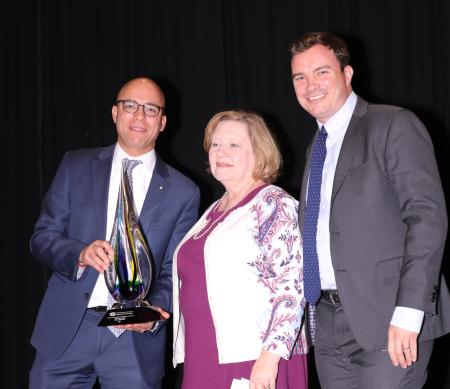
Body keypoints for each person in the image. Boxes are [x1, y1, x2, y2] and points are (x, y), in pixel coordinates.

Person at [289, 31, 450, 389]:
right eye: (300, 77)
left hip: (388, 318)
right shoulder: (318, 146)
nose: (310, 85)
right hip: (327, 322)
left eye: (321, 72)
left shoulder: (392, 124)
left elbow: (427, 219)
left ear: (347, 75)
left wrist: (410, 313)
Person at [29, 77, 200, 389]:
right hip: (67, 330)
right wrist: (78, 254)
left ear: (162, 122)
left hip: (132, 342)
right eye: (130, 106)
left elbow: (175, 270)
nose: (139, 116)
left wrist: (154, 311)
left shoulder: (184, 192)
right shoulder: (75, 165)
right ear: (115, 113)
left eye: (150, 109)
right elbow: (42, 237)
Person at [172, 110, 308, 389]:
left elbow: (293, 287)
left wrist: (269, 360)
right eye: (216, 144)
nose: (222, 152)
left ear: (259, 153)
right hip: (204, 355)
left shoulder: (273, 203)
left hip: (255, 357)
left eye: (234, 145)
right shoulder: (214, 209)